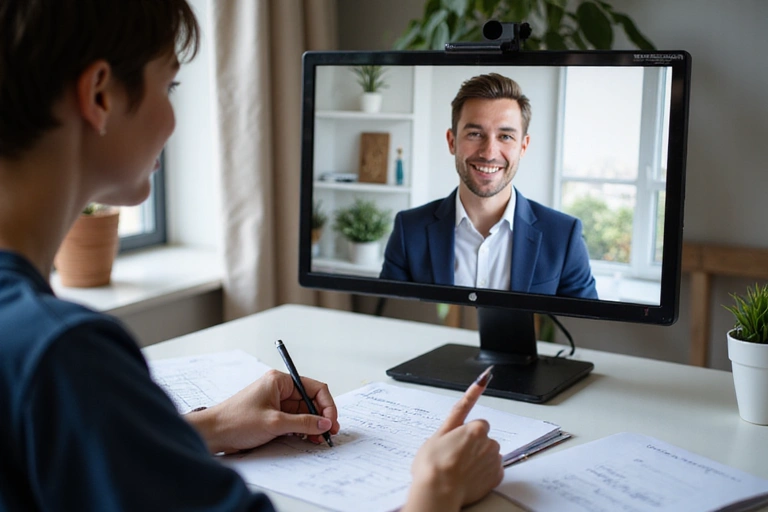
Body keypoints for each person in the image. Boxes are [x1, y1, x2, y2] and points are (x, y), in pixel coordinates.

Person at [0, 1, 503, 511]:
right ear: (100, 94)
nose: (174, 119)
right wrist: (436, 489)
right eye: (169, 86)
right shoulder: (64, 356)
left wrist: (213, 425)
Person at [380, 73, 598, 299]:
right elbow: (388, 326)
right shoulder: (409, 231)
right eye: (475, 134)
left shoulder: (564, 237)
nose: (489, 153)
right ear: (452, 141)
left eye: (505, 136)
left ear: (523, 146)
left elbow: (585, 330)